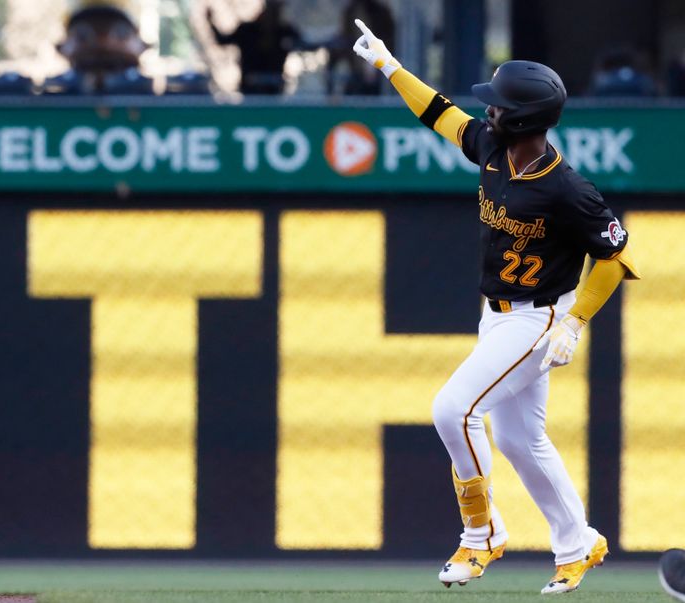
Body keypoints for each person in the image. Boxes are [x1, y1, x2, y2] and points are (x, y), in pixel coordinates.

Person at [352, 19, 640, 595]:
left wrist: (575, 322)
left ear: (524, 120)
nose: (487, 113)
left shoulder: (568, 190)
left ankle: (481, 535)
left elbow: (614, 256)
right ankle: (578, 543)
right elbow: (440, 114)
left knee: (452, 409)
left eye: (499, 107)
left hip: (539, 319)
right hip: (497, 315)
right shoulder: (493, 149)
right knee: (519, 440)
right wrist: (388, 65)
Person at [207, 0, 316, 95]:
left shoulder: (284, 32)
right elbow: (222, 40)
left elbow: (306, 45)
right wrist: (210, 20)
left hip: (274, 88)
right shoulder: (247, 30)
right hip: (250, 87)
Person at [44, 1, 152, 95]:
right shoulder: (49, 92)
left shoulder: (155, 92)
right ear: (61, 47)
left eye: (121, 33)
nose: (103, 42)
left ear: (142, 45)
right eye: (82, 35)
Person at [326, 0, 395, 96]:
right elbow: (346, 39)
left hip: (380, 72)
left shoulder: (381, 12)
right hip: (357, 73)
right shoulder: (350, 11)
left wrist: (376, 62)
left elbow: (389, 40)